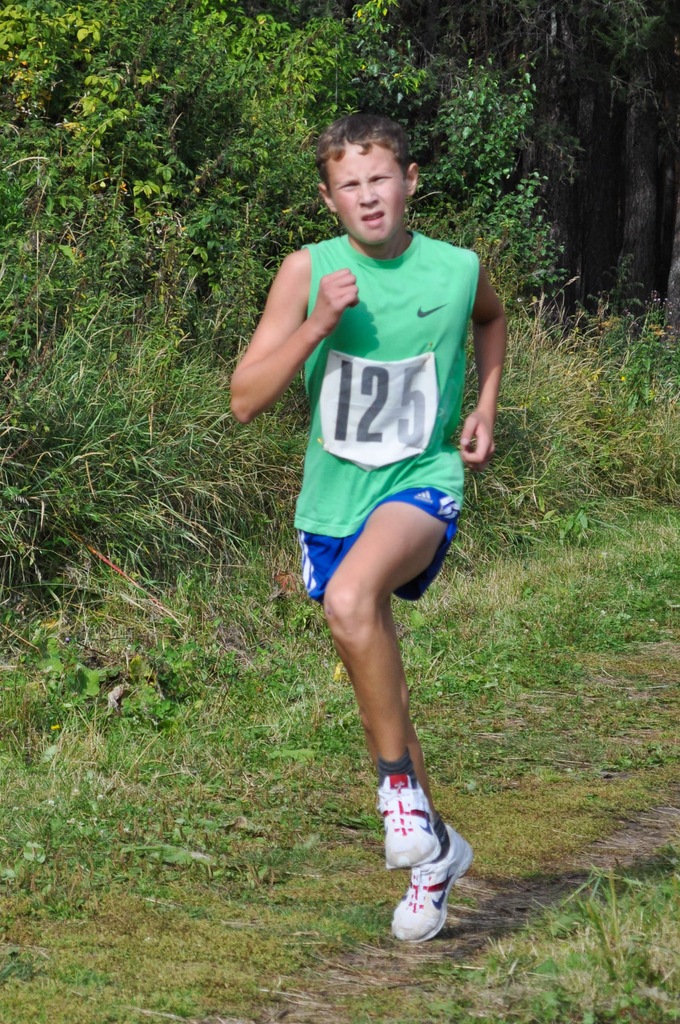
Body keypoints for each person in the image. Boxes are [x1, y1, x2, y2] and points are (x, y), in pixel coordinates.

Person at [230, 113, 506, 943]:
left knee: (352, 601)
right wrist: (317, 324)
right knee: (379, 693)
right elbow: (244, 399)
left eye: (380, 177)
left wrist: (486, 405)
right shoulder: (308, 270)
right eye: (349, 185)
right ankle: (435, 853)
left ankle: (395, 794)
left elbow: (490, 319)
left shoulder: (457, 269)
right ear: (329, 199)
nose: (368, 196)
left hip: (422, 484)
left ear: (409, 180)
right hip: (333, 504)